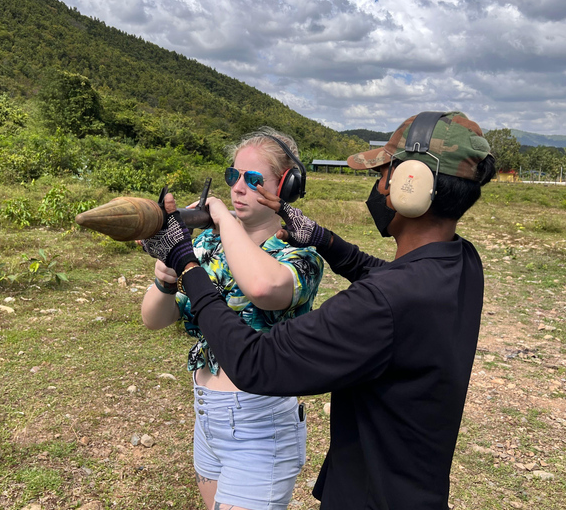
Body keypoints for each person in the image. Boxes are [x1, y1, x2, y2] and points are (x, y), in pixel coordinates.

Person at [142, 111, 497, 510]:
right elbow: (383, 274)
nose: (379, 188)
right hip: (408, 487)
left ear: (410, 185)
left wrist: (187, 265)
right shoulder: (458, 263)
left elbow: (256, 362)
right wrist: (324, 239)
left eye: (384, 175)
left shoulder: (380, 303)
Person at [140, 127, 324, 510]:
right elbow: (155, 319)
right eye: (233, 176)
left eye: (253, 179)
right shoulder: (206, 245)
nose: (238, 188)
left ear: (285, 187)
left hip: (260, 425)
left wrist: (220, 216)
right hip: (207, 418)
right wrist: (166, 277)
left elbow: (262, 287)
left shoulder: (299, 255)